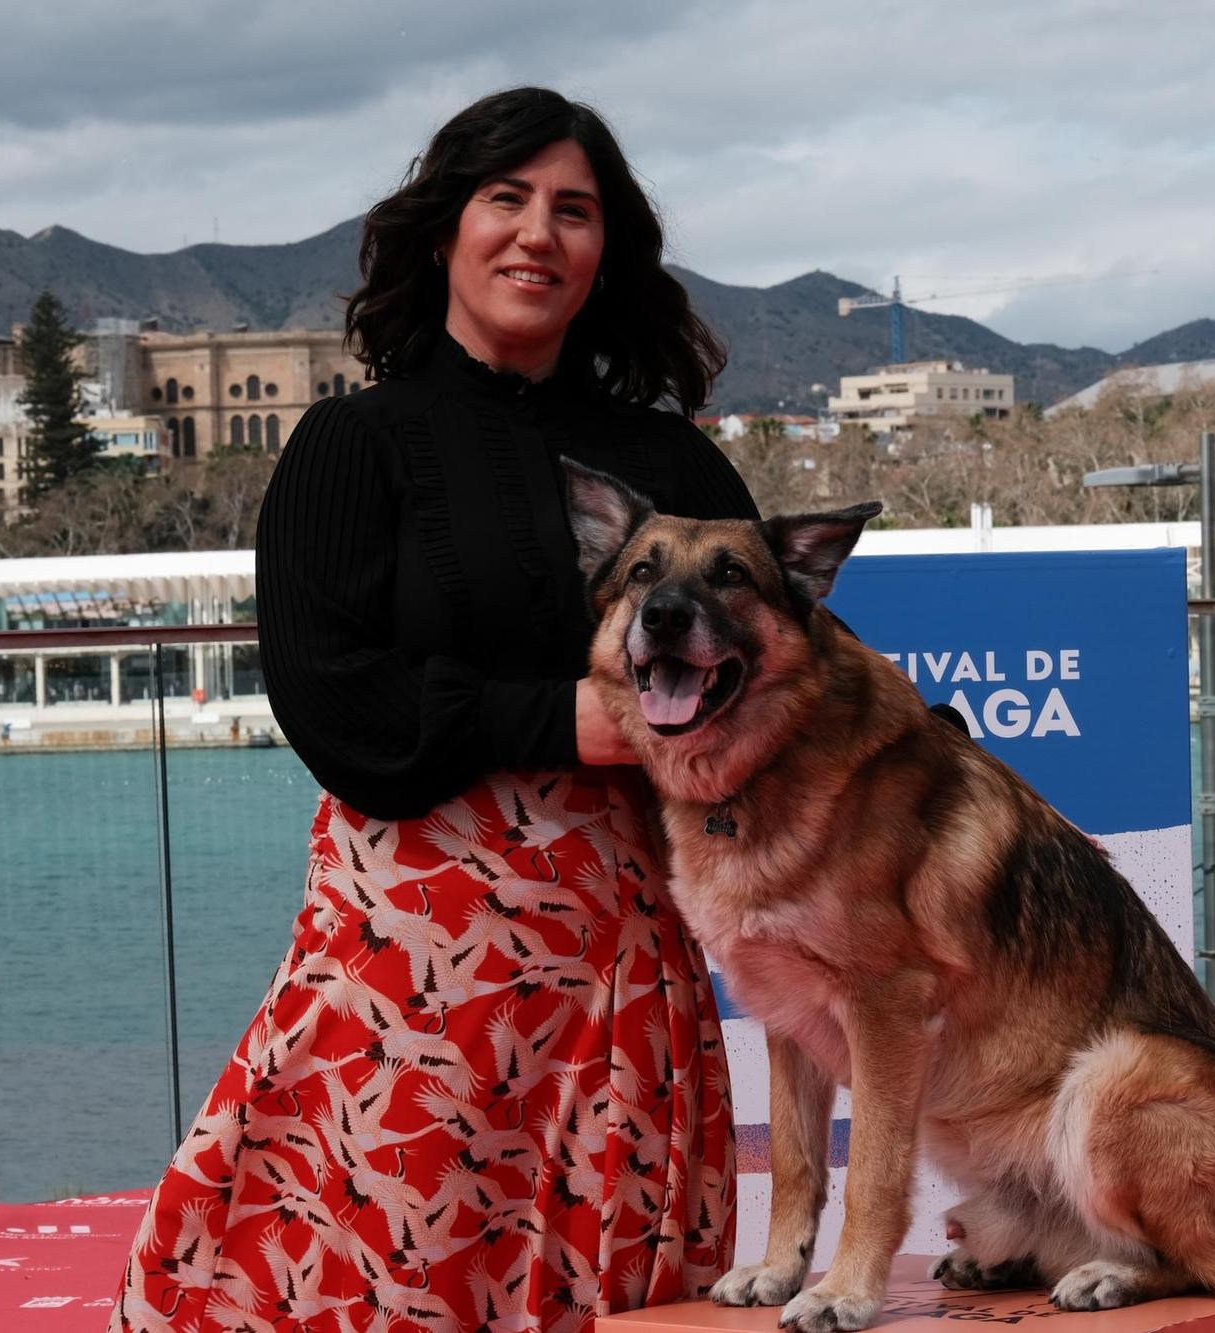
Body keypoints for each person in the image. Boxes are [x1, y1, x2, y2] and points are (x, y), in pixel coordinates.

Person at [111, 88, 753, 1332]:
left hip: (616, 982)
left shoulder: (674, 466)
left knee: (615, 1292)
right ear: (446, 228)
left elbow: (788, 668)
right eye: (504, 200)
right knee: (378, 1280)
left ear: (603, 251)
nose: (537, 234)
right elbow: (328, 697)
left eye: (573, 210)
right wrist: (559, 721)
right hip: (408, 985)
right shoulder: (352, 445)